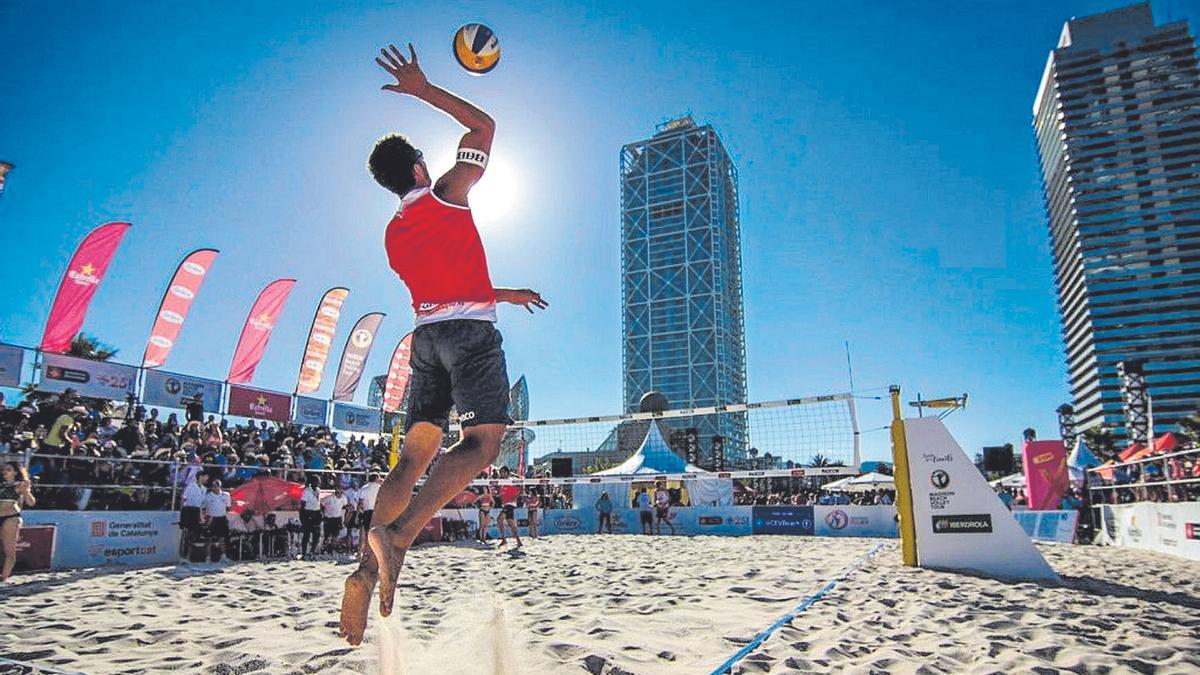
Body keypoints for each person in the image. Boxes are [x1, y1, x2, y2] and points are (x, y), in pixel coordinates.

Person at [339, 41, 548, 645]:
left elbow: (447, 284)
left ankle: (365, 563)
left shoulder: (393, 232)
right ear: (418, 171)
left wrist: (502, 293)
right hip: (466, 337)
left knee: (411, 458)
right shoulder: (444, 196)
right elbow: (484, 125)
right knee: (483, 446)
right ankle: (398, 536)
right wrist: (423, 89)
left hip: (425, 337)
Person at [1, 461, 36, 581]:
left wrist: (26, 491)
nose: (4, 471)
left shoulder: (20, 485)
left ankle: (4, 577)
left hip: (10, 517)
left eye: (8, 469)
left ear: (16, 472)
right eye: (4, 469)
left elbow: (31, 503)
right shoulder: (1, 484)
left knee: (9, 550)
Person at [179, 471, 209, 558]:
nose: (207, 479)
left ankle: (189, 555)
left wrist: (201, 515)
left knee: (194, 534)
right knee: (187, 533)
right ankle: (183, 555)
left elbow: (202, 504)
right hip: (188, 510)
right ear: (200, 476)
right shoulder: (191, 486)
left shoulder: (204, 489)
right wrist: (182, 513)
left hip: (197, 511)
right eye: (205, 476)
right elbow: (183, 499)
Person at [201, 479, 231, 562]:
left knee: (222, 538)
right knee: (209, 538)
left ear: (220, 486)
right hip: (211, 519)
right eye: (213, 486)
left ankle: (223, 556)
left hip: (222, 518)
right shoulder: (208, 496)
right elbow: (203, 508)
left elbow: (228, 507)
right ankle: (208, 557)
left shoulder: (226, 495)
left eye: (216, 486)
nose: (214, 488)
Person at [357, 473, 383, 556]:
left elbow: (360, 503)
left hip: (366, 511)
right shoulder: (380, 488)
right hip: (376, 511)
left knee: (365, 532)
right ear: (376, 479)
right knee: (374, 533)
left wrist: (359, 513)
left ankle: (361, 551)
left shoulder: (364, 488)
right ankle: (371, 551)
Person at [321, 484, 350, 554]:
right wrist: (322, 513)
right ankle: (324, 549)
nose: (339, 490)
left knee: (335, 536)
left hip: (337, 519)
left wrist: (346, 516)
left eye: (340, 489)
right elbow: (322, 504)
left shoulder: (344, 498)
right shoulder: (329, 497)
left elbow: (344, 506)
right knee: (327, 536)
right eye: (337, 489)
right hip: (328, 518)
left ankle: (332, 550)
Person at [299, 477, 323, 558]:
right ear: (312, 482)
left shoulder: (318, 490)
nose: (319, 483)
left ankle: (313, 551)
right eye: (317, 481)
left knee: (317, 534)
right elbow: (302, 504)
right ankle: (304, 553)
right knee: (307, 534)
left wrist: (320, 512)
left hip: (316, 513)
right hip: (308, 513)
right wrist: (302, 517)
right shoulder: (306, 491)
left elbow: (318, 502)